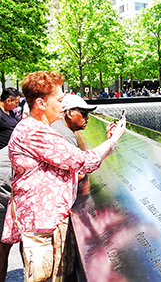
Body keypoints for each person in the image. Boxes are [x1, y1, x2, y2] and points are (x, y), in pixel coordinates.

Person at [6, 71, 126, 281]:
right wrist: (113, 141)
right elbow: (82, 162)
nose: (63, 106)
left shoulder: (38, 128)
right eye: (59, 100)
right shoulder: (34, 131)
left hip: (45, 221)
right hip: (42, 224)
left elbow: (75, 163)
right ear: (42, 103)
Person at [0, 88, 22, 274]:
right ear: (7, 100)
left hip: (11, 161)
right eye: (15, 101)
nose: (17, 105)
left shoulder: (11, 113)